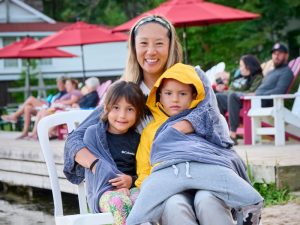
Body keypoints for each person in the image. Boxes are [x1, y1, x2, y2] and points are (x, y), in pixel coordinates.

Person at [63, 15, 233, 225]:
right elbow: (75, 139)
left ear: (170, 46)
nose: (151, 51)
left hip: (201, 168)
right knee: (173, 204)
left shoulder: (191, 79)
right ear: (134, 48)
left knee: (208, 200)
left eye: (159, 43)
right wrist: (97, 165)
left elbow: (211, 118)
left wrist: (177, 129)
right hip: (158, 181)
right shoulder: (127, 94)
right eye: (143, 43)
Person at [127, 63, 263, 225]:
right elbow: (144, 169)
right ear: (159, 96)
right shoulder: (151, 131)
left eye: (182, 93)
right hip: (170, 185)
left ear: (193, 96)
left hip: (207, 181)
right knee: (174, 204)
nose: (175, 99)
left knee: (206, 200)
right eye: (168, 93)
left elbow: (221, 149)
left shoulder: (205, 121)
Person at [83, 80, 145, 225]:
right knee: (119, 202)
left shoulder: (137, 139)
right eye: (116, 108)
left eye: (129, 109)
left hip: (131, 188)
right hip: (103, 192)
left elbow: (141, 171)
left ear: (138, 113)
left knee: (145, 199)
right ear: (106, 108)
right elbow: (96, 171)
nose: (122, 115)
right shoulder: (94, 134)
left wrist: (131, 180)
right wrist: (117, 188)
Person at [216, 55, 263, 144]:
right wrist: (224, 90)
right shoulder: (240, 77)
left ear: (248, 66)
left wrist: (234, 94)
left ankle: (233, 134)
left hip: (245, 103)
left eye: (241, 66)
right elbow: (231, 90)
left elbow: (252, 92)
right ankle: (222, 132)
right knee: (217, 96)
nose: (240, 69)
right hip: (232, 101)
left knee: (232, 96)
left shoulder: (257, 77)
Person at [1, 76, 67, 139]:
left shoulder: (66, 94)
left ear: (64, 84)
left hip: (50, 109)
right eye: (57, 83)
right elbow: (49, 102)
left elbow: (60, 104)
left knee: (31, 99)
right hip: (47, 107)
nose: (58, 85)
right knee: (27, 107)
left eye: (60, 83)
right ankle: (25, 132)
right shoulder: (58, 94)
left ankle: (14, 116)